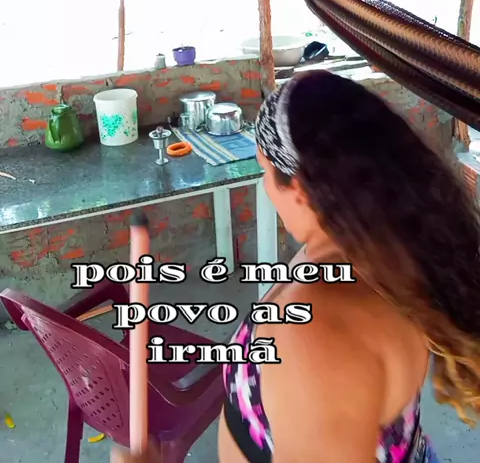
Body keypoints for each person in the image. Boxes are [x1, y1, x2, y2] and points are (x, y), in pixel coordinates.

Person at [112, 71, 480, 463]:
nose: (265, 186)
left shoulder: (315, 332)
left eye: (264, 171)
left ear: (301, 188)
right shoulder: (379, 249)